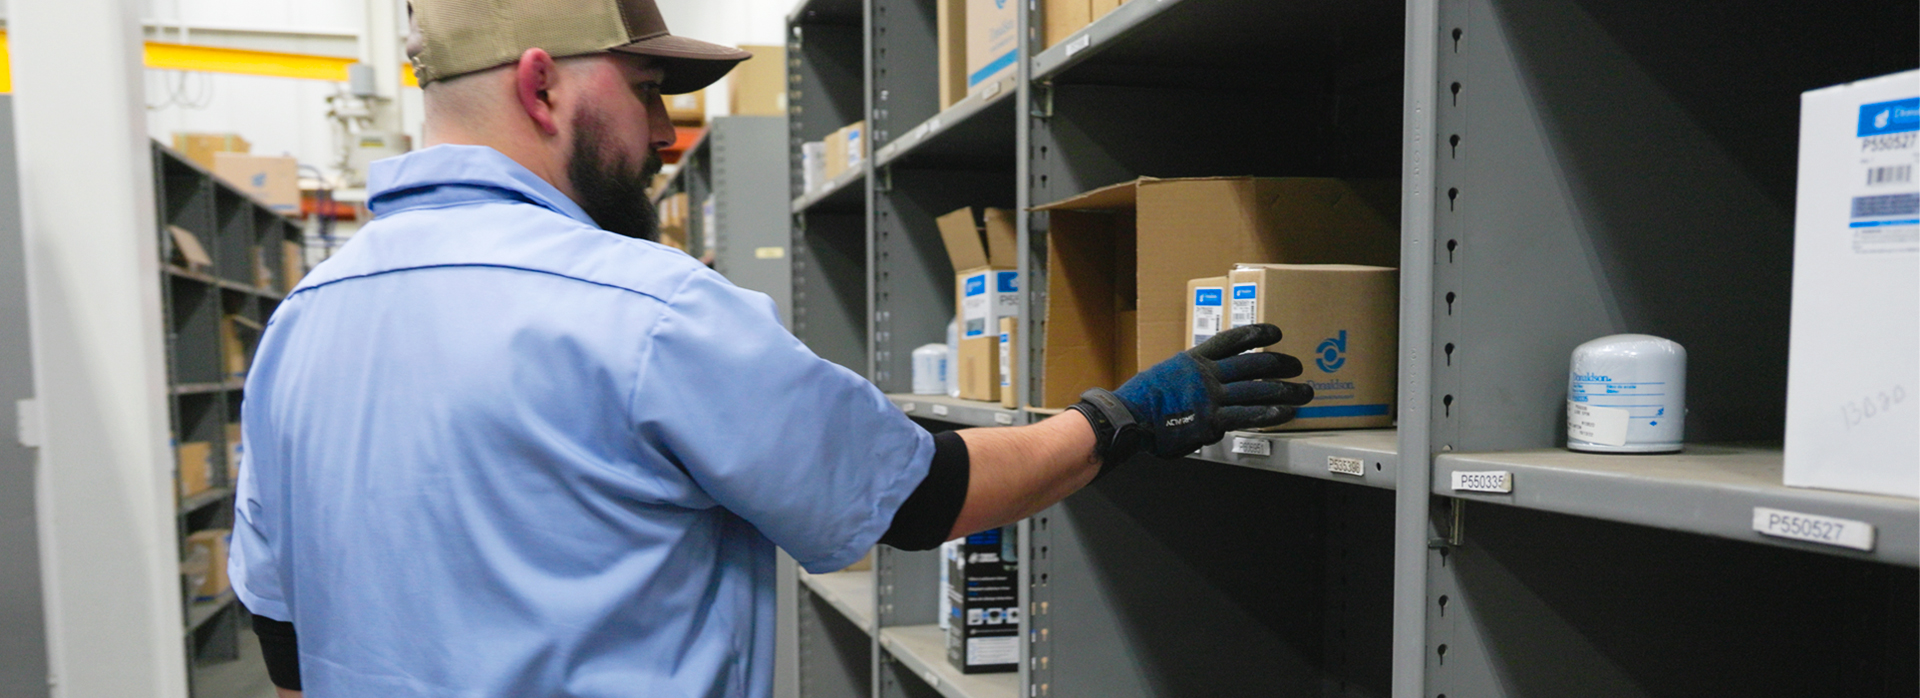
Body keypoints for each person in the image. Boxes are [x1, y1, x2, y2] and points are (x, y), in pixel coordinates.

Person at [228, 0, 1314, 695]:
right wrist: (1118, 417)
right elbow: (921, 496)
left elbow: (281, 639)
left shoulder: (300, 325)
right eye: (648, 92)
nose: (665, 134)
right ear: (541, 82)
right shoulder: (644, 308)